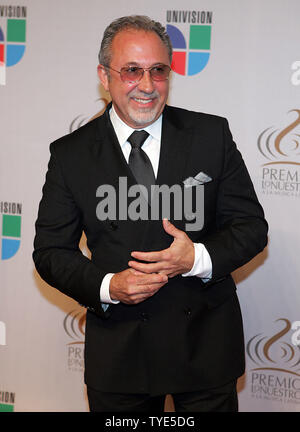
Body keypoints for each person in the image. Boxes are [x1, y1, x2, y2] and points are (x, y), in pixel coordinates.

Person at [33, 15, 268, 412]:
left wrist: (196, 257)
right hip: (120, 354)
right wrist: (109, 286)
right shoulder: (70, 154)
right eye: (131, 71)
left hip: (205, 349)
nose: (146, 85)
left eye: (158, 71)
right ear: (104, 76)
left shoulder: (211, 135)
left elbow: (250, 228)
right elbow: (51, 251)